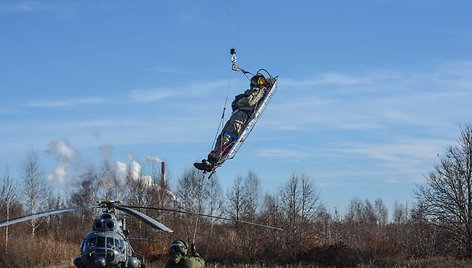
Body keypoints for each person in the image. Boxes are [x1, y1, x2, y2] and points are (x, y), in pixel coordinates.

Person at [194, 73, 270, 172]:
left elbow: (249, 102)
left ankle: (214, 161)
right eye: (255, 81)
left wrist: (239, 102)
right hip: (236, 114)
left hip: (242, 117)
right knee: (221, 137)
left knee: (228, 137)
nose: (255, 83)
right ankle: (210, 160)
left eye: (259, 81)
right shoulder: (249, 92)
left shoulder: (259, 91)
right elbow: (235, 102)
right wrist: (238, 102)